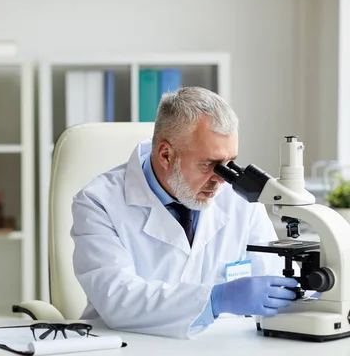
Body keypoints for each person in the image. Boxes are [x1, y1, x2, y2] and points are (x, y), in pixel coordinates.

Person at [70, 86, 298, 339]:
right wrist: (216, 299)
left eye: (229, 163)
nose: (221, 179)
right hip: (129, 344)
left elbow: (274, 275)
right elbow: (118, 299)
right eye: (209, 164)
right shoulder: (98, 201)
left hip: (221, 345)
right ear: (166, 155)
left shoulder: (239, 198)